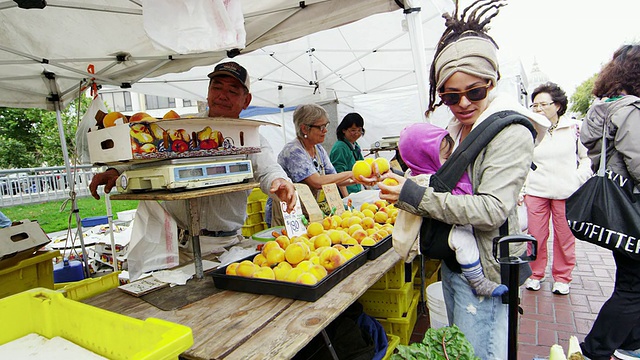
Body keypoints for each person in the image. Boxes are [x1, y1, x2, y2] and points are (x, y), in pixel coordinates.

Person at [356, 1, 549, 358]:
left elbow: (491, 210)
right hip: (454, 263)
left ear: (492, 82)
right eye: (449, 95)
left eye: (474, 92)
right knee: (463, 349)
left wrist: (413, 194)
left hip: (487, 270)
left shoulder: (509, 132)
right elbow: (440, 178)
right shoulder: (459, 127)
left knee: (480, 352)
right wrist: (397, 180)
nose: (462, 103)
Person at [89, 61, 296, 253]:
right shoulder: (181, 129)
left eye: (232, 91)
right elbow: (151, 153)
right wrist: (116, 171)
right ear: (207, 93)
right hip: (173, 243)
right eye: (217, 87)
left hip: (222, 245)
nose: (222, 95)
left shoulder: (249, 138)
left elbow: (268, 169)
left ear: (246, 100)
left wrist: (279, 182)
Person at [396, 122, 508, 297]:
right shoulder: (424, 179)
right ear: (424, 158)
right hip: (447, 231)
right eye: (445, 157)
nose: (450, 162)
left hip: (451, 225)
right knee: (464, 241)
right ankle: (477, 281)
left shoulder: (430, 174)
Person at [579, 44, 640, 360]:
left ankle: (631, 344)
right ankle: (595, 349)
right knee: (634, 288)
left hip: (619, 208)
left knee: (631, 281)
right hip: (633, 206)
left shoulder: (604, 108)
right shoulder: (631, 110)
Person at [522, 82, 592, 295]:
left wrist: (578, 178)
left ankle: (562, 277)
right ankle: (534, 274)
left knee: (565, 236)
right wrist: (522, 188)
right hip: (536, 190)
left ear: (558, 105)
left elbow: (587, 158)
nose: (538, 109)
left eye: (544, 104)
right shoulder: (530, 129)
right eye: (535, 105)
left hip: (567, 192)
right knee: (535, 236)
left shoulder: (574, 127)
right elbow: (522, 160)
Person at [268, 104, 355, 226]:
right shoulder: (293, 151)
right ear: (304, 129)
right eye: (321, 127)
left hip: (308, 211)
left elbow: (334, 179)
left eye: (326, 126)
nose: (325, 130)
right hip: (290, 212)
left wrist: (358, 179)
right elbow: (317, 182)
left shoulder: (318, 149)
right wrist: (351, 173)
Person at [330, 113, 365, 196]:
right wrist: (346, 198)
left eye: (359, 130)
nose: (356, 133)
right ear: (344, 130)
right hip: (345, 194)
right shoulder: (340, 147)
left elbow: (362, 167)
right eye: (353, 130)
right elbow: (338, 176)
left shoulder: (355, 146)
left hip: (355, 192)